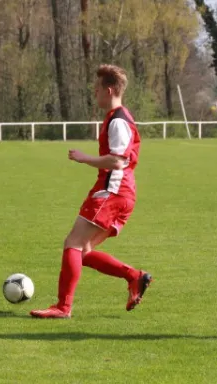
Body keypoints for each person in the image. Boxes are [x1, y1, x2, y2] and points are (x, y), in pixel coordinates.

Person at [30, 64, 152, 319]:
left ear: (109, 90)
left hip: (113, 191)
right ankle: (134, 276)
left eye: (97, 90)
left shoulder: (118, 121)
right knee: (83, 251)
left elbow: (118, 161)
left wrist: (84, 158)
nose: (94, 94)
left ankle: (63, 307)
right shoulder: (119, 117)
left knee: (72, 244)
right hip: (120, 192)